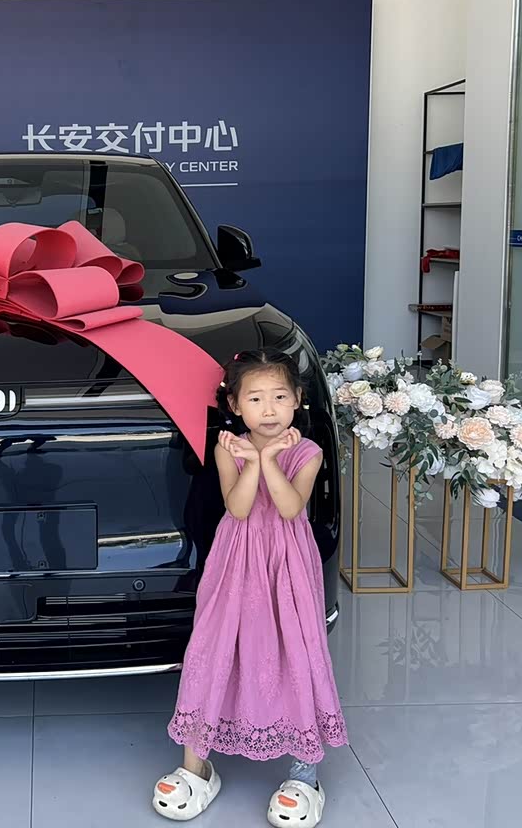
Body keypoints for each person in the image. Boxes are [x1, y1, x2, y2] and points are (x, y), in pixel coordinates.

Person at [152, 350, 347, 826]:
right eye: (255, 399)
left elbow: (289, 507)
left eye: (279, 397)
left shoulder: (309, 451)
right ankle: (196, 766)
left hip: (286, 564)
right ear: (236, 405)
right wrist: (254, 461)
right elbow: (238, 508)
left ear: (297, 399)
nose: (269, 409)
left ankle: (304, 775)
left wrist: (267, 458)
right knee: (213, 648)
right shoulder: (228, 448)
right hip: (236, 561)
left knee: (294, 652)